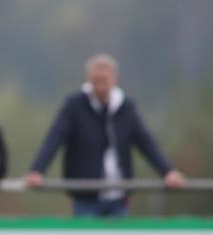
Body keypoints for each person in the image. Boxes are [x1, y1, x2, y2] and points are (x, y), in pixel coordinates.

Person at [25, 54, 186, 216]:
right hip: (85, 198)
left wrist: (168, 171)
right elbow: (54, 138)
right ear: (88, 79)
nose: (100, 84)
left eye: (104, 79)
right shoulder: (75, 105)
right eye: (96, 80)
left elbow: (146, 142)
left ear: (114, 79)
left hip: (119, 199)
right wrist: (37, 170)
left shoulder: (126, 107)